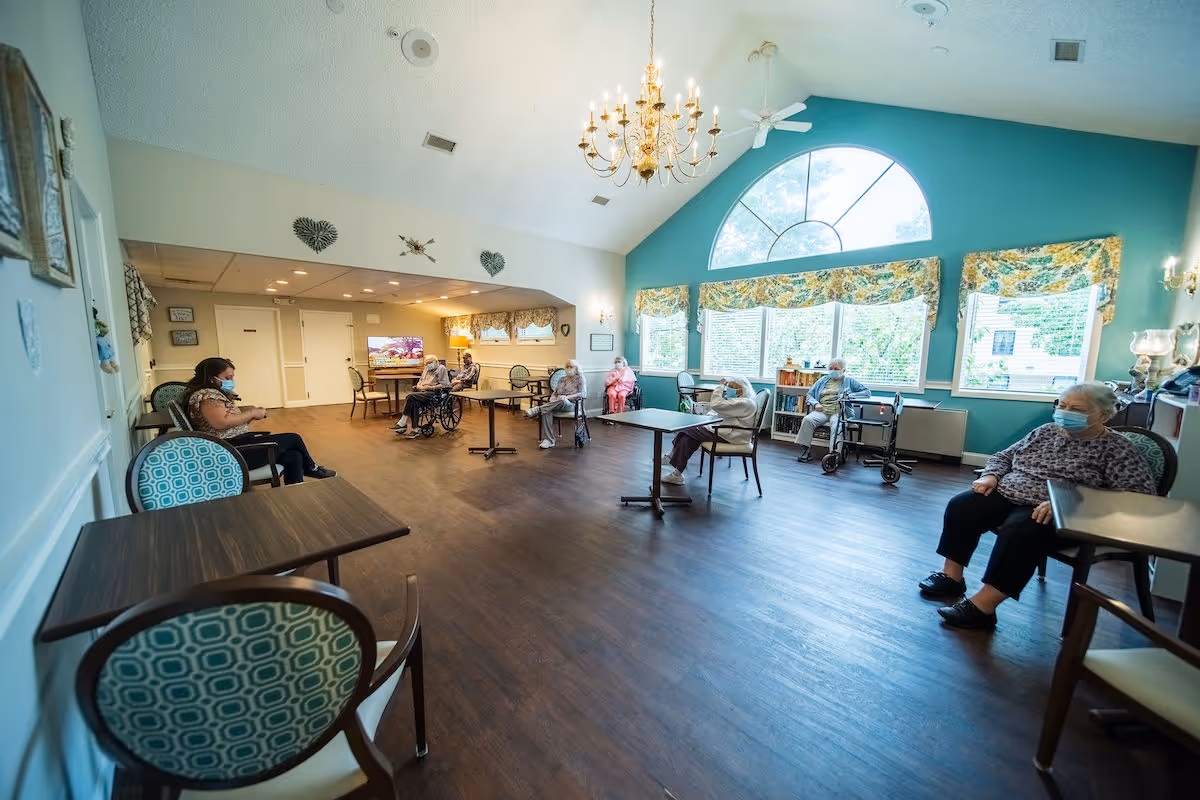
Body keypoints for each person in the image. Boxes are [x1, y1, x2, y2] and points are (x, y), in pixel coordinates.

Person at [919, 383, 1156, 629]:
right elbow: (1004, 456)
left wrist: (1070, 502)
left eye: (1076, 409)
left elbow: (1137, 496)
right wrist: (991, 475)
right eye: (1062, 406)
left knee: (1021, 530)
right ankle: (952, 577)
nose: (1065, 412)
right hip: (1009, 492)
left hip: (1060, 511)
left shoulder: (1118, 449)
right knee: (962, 506)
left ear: (1104, 414)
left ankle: (983, 608)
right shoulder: (1045, 431)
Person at [183, 357, 335, 485]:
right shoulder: (206, 396)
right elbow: (220, 423)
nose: (231, 381)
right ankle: (312, 468)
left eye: (232, 377)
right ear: (211, 378)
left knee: (294, 456)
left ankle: (295, 493)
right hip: (231, 452)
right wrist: (251, 413)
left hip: (236, 446)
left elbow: (223, 422)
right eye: (227, 378)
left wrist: (250, 415)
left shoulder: (208, 393)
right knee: (293, 438)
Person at [661, 377, 758, 485]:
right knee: (690, 436)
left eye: (731, 387)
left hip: (732, 437)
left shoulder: (744, 403)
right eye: (728, 387)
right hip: (729, 432)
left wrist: (720, 386)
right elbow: (721, 411)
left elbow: (716, 405)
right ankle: (676, 473)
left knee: (689, 429)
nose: (728, 389)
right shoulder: (743, 402)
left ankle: (672, 462)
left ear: (741, 389)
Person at [793, 358, 870, 462]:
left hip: (839, 412)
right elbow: (810, 394)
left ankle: (834, 455)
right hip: (822, 410)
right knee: (807, 420)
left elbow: (867, 392)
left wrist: (848, 395)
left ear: (843, 370)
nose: (833, 370)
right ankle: (806, 451)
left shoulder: (849, 381)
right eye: (831, 368)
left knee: (837, 426)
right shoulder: (822, 380)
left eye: (836, 368)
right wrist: (816, 404)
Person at [525, 359, 587, 449]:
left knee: (561, 400)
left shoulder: (580, 379)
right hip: (557, 403)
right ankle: (549, 440)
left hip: (572, 405)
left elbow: (583, 394)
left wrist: (566, 397)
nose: (568, 369)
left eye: (571, 367)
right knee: (547, 411)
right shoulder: (562, 379)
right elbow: (555, 393)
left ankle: (537, 409)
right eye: (567, 367)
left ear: (576, 368)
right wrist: (553, 400)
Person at [393, 354, 451, 437]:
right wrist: (418, 385)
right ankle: (415, 430)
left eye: (430, 363)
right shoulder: (427, 368)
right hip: (423, 391)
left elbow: (445, 384)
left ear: (436, 362)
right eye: (426, 363)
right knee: (414, 403)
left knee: (410, 396)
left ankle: (402, 422)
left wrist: (431, 387)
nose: (428, 365)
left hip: (433, 392)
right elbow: (420, 380)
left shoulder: (441, 369)